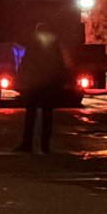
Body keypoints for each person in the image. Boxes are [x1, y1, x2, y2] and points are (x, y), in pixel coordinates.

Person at [16, 23, 67, 154]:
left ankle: (27, 144)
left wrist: (21, 79)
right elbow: (60, 65)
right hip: (49, 85)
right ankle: (45, 146)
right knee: (47, 116)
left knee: (31, 116)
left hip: (35, 85)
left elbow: (26, 63)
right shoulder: (54, 46)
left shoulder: (33, 45)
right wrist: (59, 82)